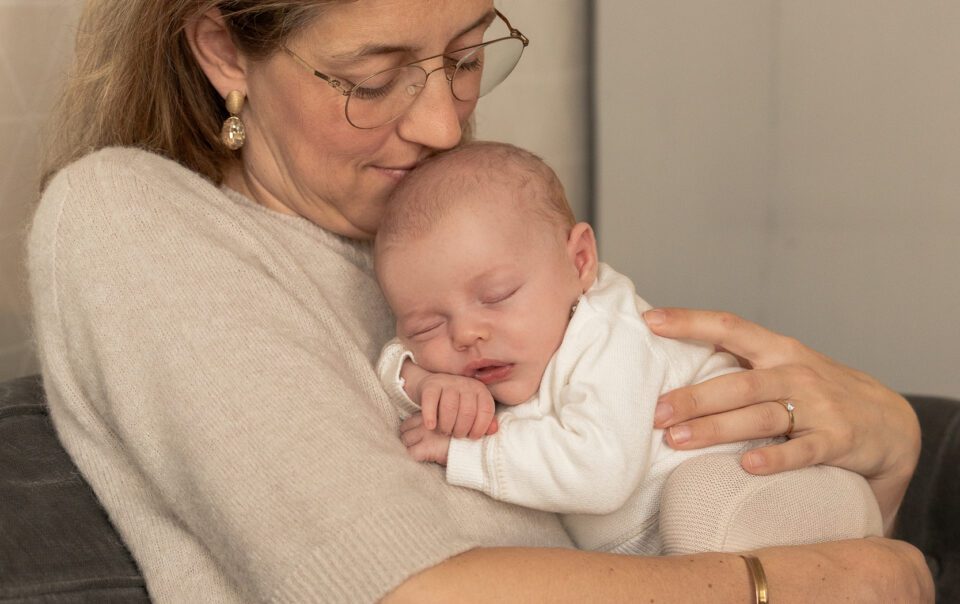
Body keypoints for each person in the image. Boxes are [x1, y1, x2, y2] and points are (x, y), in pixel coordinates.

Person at [28, 1, 930, 602]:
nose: (443, 125)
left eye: (463, 59)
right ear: (225, 50)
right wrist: (803, 580)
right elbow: (402, 592)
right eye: (374, 79)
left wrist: (886, 459)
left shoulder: (444, 240)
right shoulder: (129, 218)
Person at [374, 140, 882, 556]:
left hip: (787, 492)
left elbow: (599, 474)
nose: (465, 335)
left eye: (498, 296)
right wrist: (422, 379)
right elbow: (390, 363)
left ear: (579, 263)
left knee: (699, 506)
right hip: (694, 539)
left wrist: (469, 452)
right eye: (427, 326)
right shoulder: (492, 352)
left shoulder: (609, 333)